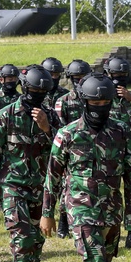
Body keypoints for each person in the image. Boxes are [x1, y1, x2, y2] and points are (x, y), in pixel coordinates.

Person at [41, 73, 131, 262]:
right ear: (84, 102)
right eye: (94, 102)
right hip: (81, 209)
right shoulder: (68, 134)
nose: (100, 107)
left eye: (105, 102)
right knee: (95, 261)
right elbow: (52, 176)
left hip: (111, 209)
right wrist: (47, 213)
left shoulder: (121, 131)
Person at [0, 65, 60, 262]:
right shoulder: (4, 115)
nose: (38, 95)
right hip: (12, 186)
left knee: (37, 238)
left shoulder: (49, 115)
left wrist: (47, 128)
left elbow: (61, 148)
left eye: (42, 91)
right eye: (34, 90)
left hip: (40, 187)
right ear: (24, 88)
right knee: (22, 236)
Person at [104, 57, 131, 250]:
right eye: (115, 75)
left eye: (123, 75)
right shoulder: (102, 95)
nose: (119, 79)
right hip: (109, 153)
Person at [53, 59, 93, 240]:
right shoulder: (63, 102)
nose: (79, 81)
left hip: (92, 149)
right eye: (75, 78)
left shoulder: (92, 97)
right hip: (70, 148)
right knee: (66, 185)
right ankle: (63, 219)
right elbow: (59, 128)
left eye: (82, 78)